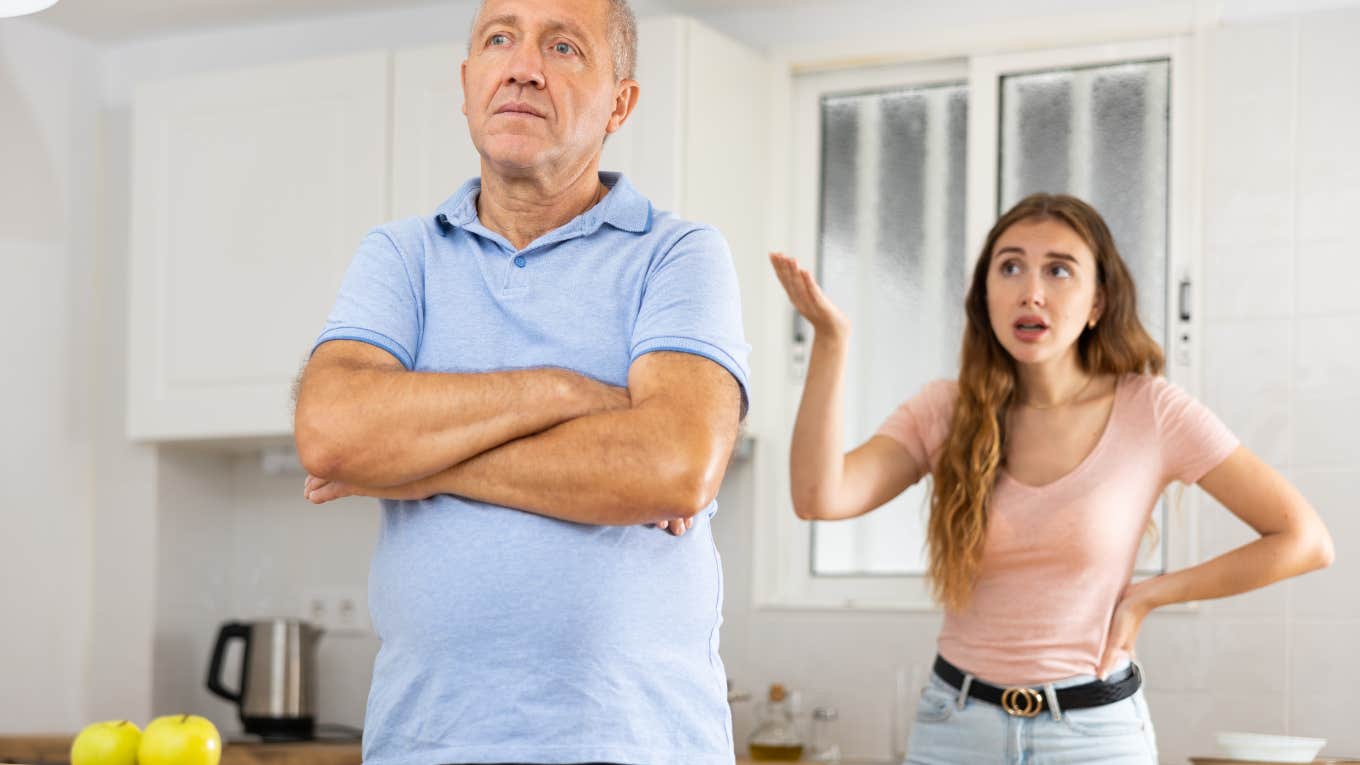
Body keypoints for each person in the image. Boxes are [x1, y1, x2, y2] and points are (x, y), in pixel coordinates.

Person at [292, 0, 749, 762]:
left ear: (620, 103)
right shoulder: (400, 256)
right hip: (424, 744)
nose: (523, 66)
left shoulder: (679, 255)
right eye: (499, 38)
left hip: (636, 744)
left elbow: (673, 465)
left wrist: (416, 464)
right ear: (469, 79)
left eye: (564, 47)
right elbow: (331, 430)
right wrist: (566, 392)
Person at [769, 192, 1333, 764]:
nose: (1030, 290)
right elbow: (819, 496)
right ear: (985, 295)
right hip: (954, 729)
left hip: (1094, 736)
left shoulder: (1152, 411)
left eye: (1058, 270)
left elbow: (1305, 539)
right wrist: (831, 342)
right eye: (1009, 267)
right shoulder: (945, 410)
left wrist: (1149, 596)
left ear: (1097, 301)